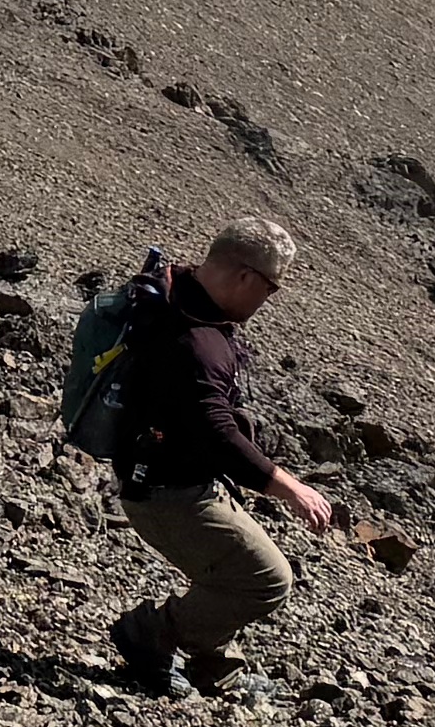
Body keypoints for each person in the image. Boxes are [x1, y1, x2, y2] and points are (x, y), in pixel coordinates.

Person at [100, 213, 337, 697]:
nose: (267, 300)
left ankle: (214, 666)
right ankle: (150, 633)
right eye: (270, 289)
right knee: (267, 579)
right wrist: (288, 486)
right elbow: (217, 433)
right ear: (246, 275)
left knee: (235, 567)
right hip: (169, 494)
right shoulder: (197, 341)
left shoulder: (182, 294)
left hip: (173, 476)